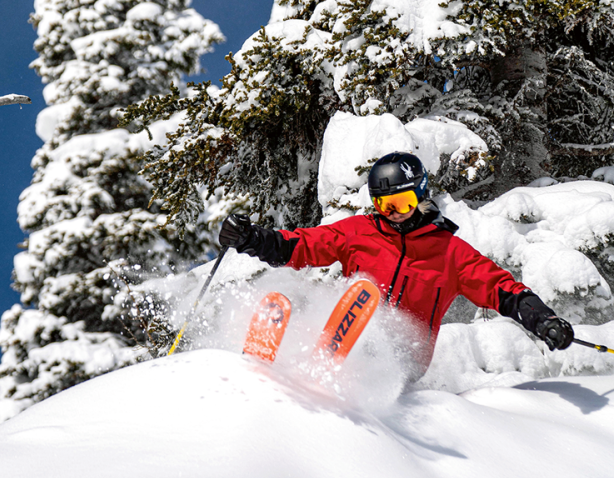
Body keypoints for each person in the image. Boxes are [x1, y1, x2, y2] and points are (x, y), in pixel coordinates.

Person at [219, 151, 574, 369]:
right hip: (346, 340)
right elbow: (302, 245)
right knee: (306, 297)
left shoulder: (450, 253)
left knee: (378, 334)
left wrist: (542, 320)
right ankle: (284, 367)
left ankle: (335, 358)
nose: (394, 214)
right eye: (383, 205)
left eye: (402, 203)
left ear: (420, 195)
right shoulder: (360, 233)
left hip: (404, 361)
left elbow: (502, 289)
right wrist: (252, 239)